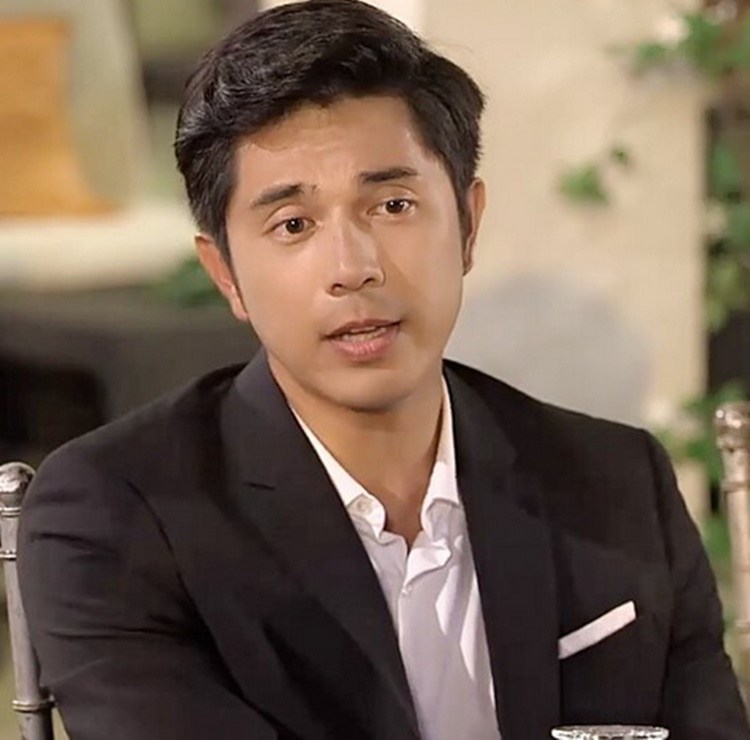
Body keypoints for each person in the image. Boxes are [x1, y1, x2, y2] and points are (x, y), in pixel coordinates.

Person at [17, 1, 750, 738]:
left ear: (468, 225)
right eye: (293, 225)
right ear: (226, 273)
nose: (353, 267)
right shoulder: (119, 516)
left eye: (393, 205)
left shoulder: (618, 484)